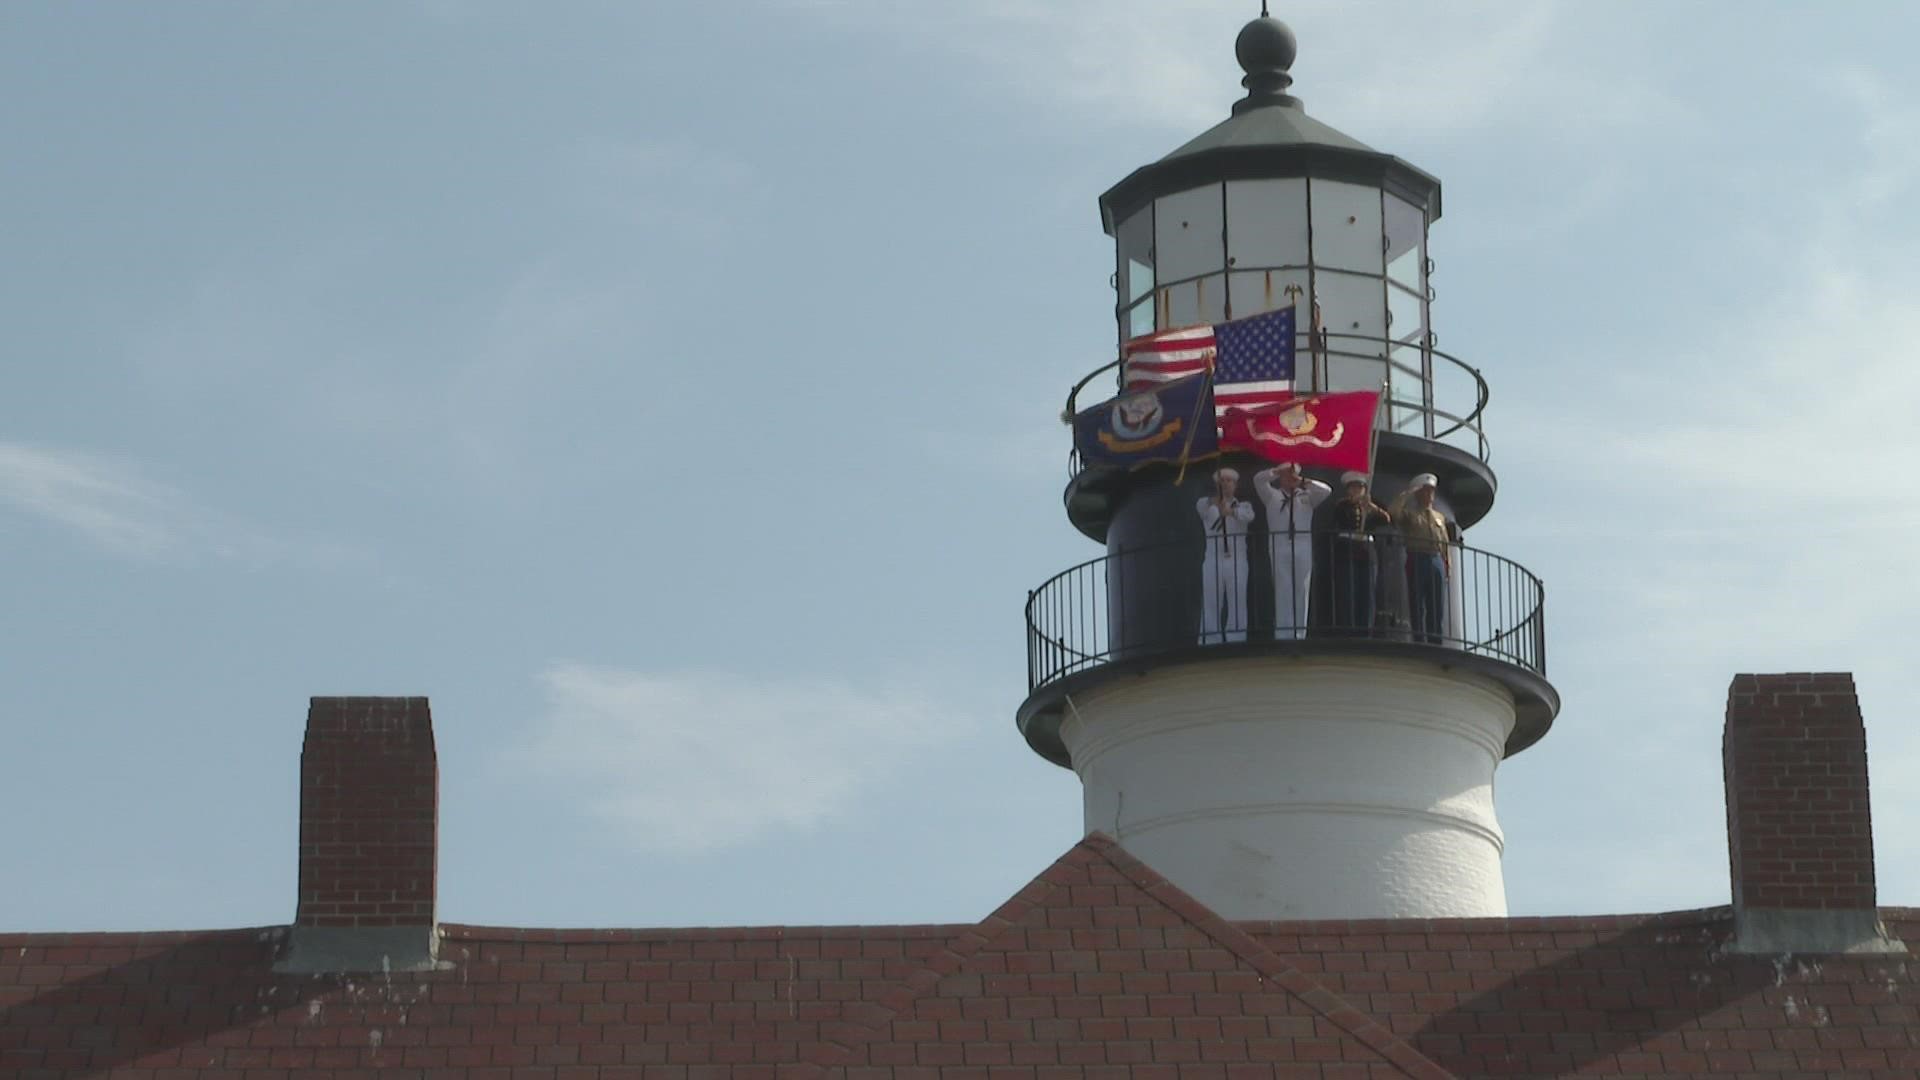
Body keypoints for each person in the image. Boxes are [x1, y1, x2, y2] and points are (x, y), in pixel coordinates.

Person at [1253, 462, 1331, 639]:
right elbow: (1258, 480)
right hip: (1280, 544)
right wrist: (1276, 471)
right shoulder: (1272, 496)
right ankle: (1283, 634)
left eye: (1292, 475)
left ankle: (1299, 634)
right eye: (1286, 475)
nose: (1289, 478)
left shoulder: (1307, 497)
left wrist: (1304, 482)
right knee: (1282, 589)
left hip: (1302, 544)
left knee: (1301, 590)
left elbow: (1326, 491)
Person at [1196, 467, 1255, 644]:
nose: (1226, 484)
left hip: (1236, 558)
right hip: (1214, 557)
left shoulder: (1243, 506)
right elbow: (1202, 508)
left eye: (1229, 481)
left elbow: (1248, 517)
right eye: (1223, 481)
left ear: (1235, 485)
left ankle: (1236, 637)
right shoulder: (1206, 503)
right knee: (1211, 598)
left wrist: (1230, 511)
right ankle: (1210, 638)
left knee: (1237, 598)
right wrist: (1217, 503)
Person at [1327, 471, 1391, 634]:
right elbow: (1337, 520)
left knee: (1367, 593)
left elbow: (1386, 519)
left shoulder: (1370, 507)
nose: (1357, 491)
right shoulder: (1342, 505)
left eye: (1360, 488)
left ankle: (1366, 629)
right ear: (1348, 489)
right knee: (1348, 591)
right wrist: (1354, 503)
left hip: (1366, 551)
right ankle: (1348, 628)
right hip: (1347, 549)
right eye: (1354, 488)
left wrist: (1372, 508)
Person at [1391, 472, 1452, 645]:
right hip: (1417, 557)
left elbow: (1445, 542)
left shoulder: (1439, 517)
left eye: (1431, 491)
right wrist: (1406, 495)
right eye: (1425, 491)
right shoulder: (1410, 514)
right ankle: (1419, 639)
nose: (1429, 495)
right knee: (1417, 602)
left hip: (1436, 559)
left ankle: (1435, 641)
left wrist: (1448, 565)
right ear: (1418, 494)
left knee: (1436, 604)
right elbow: (1394, 513)